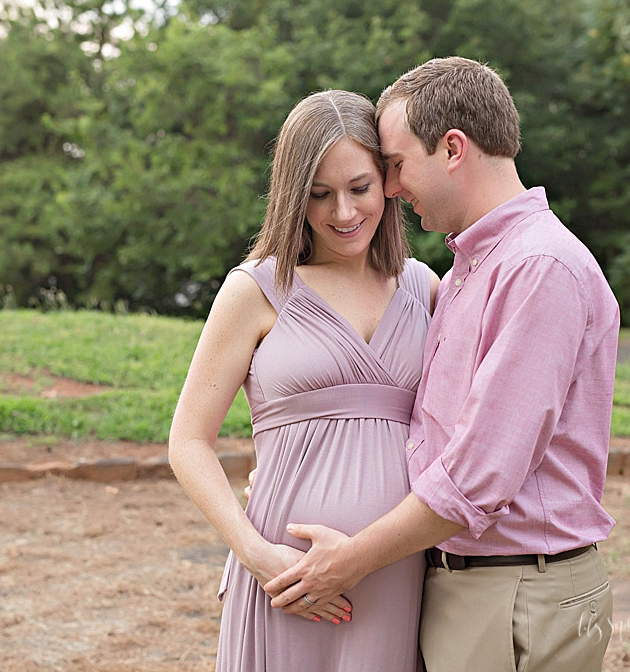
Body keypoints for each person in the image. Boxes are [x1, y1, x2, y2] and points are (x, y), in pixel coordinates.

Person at [262, 57, 619, 672]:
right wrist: (302, 471)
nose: (391, 189)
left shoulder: (539, 268)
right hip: (464, 587)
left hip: (515, 595)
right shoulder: (465, 271)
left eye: (397, 166)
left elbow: (478, 474)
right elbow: (418, 426)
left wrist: (347, 562)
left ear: (452, 148)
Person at [168, 90, 440, 672]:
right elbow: (188, 441)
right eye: (319, 195)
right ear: (293, 195)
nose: (342, 213)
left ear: (389, 183)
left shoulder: (425, 288)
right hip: (284, 578)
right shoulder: (255, 290)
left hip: (396, 574)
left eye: (359, 188)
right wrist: (255, 553)